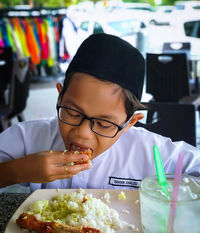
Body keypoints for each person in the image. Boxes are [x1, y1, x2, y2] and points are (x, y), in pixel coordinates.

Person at [0, 33, 199, 193]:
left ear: (130, 122)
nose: (82, 133)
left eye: (104, 124)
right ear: (60, 97)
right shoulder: (28, 139)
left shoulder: (151, 151)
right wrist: (18, 171)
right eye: (73, 112)